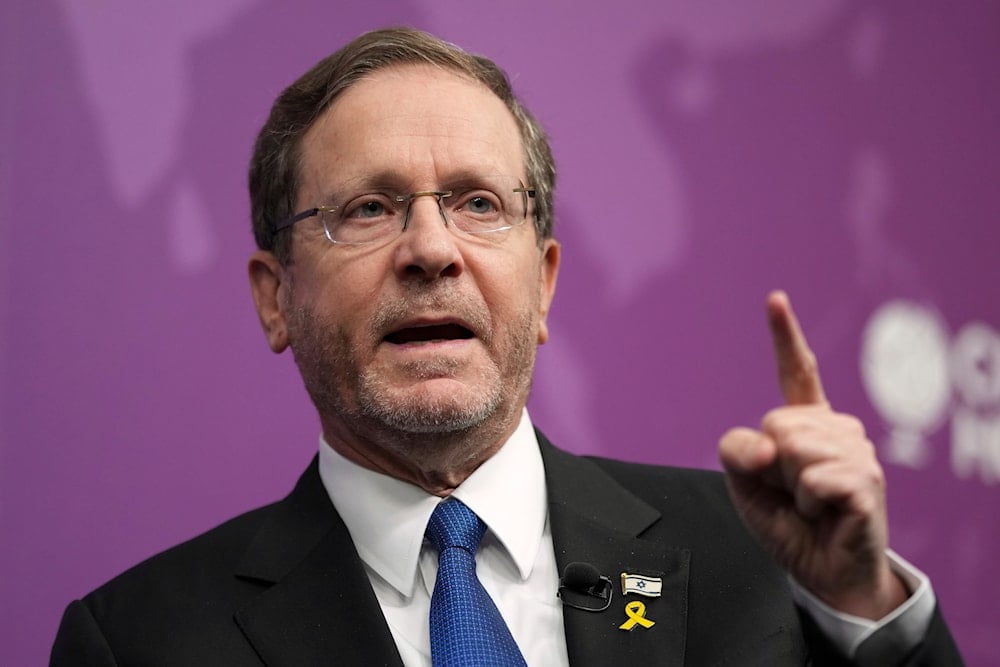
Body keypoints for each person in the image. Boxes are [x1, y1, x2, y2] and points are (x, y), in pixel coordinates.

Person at [51, 27, 962, 666]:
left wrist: (861, 608)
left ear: (545, 284)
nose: (432, 249)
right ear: (274, 297)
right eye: (369, 208)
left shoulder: (761, 562)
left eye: (479, 204)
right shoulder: (141, 639)